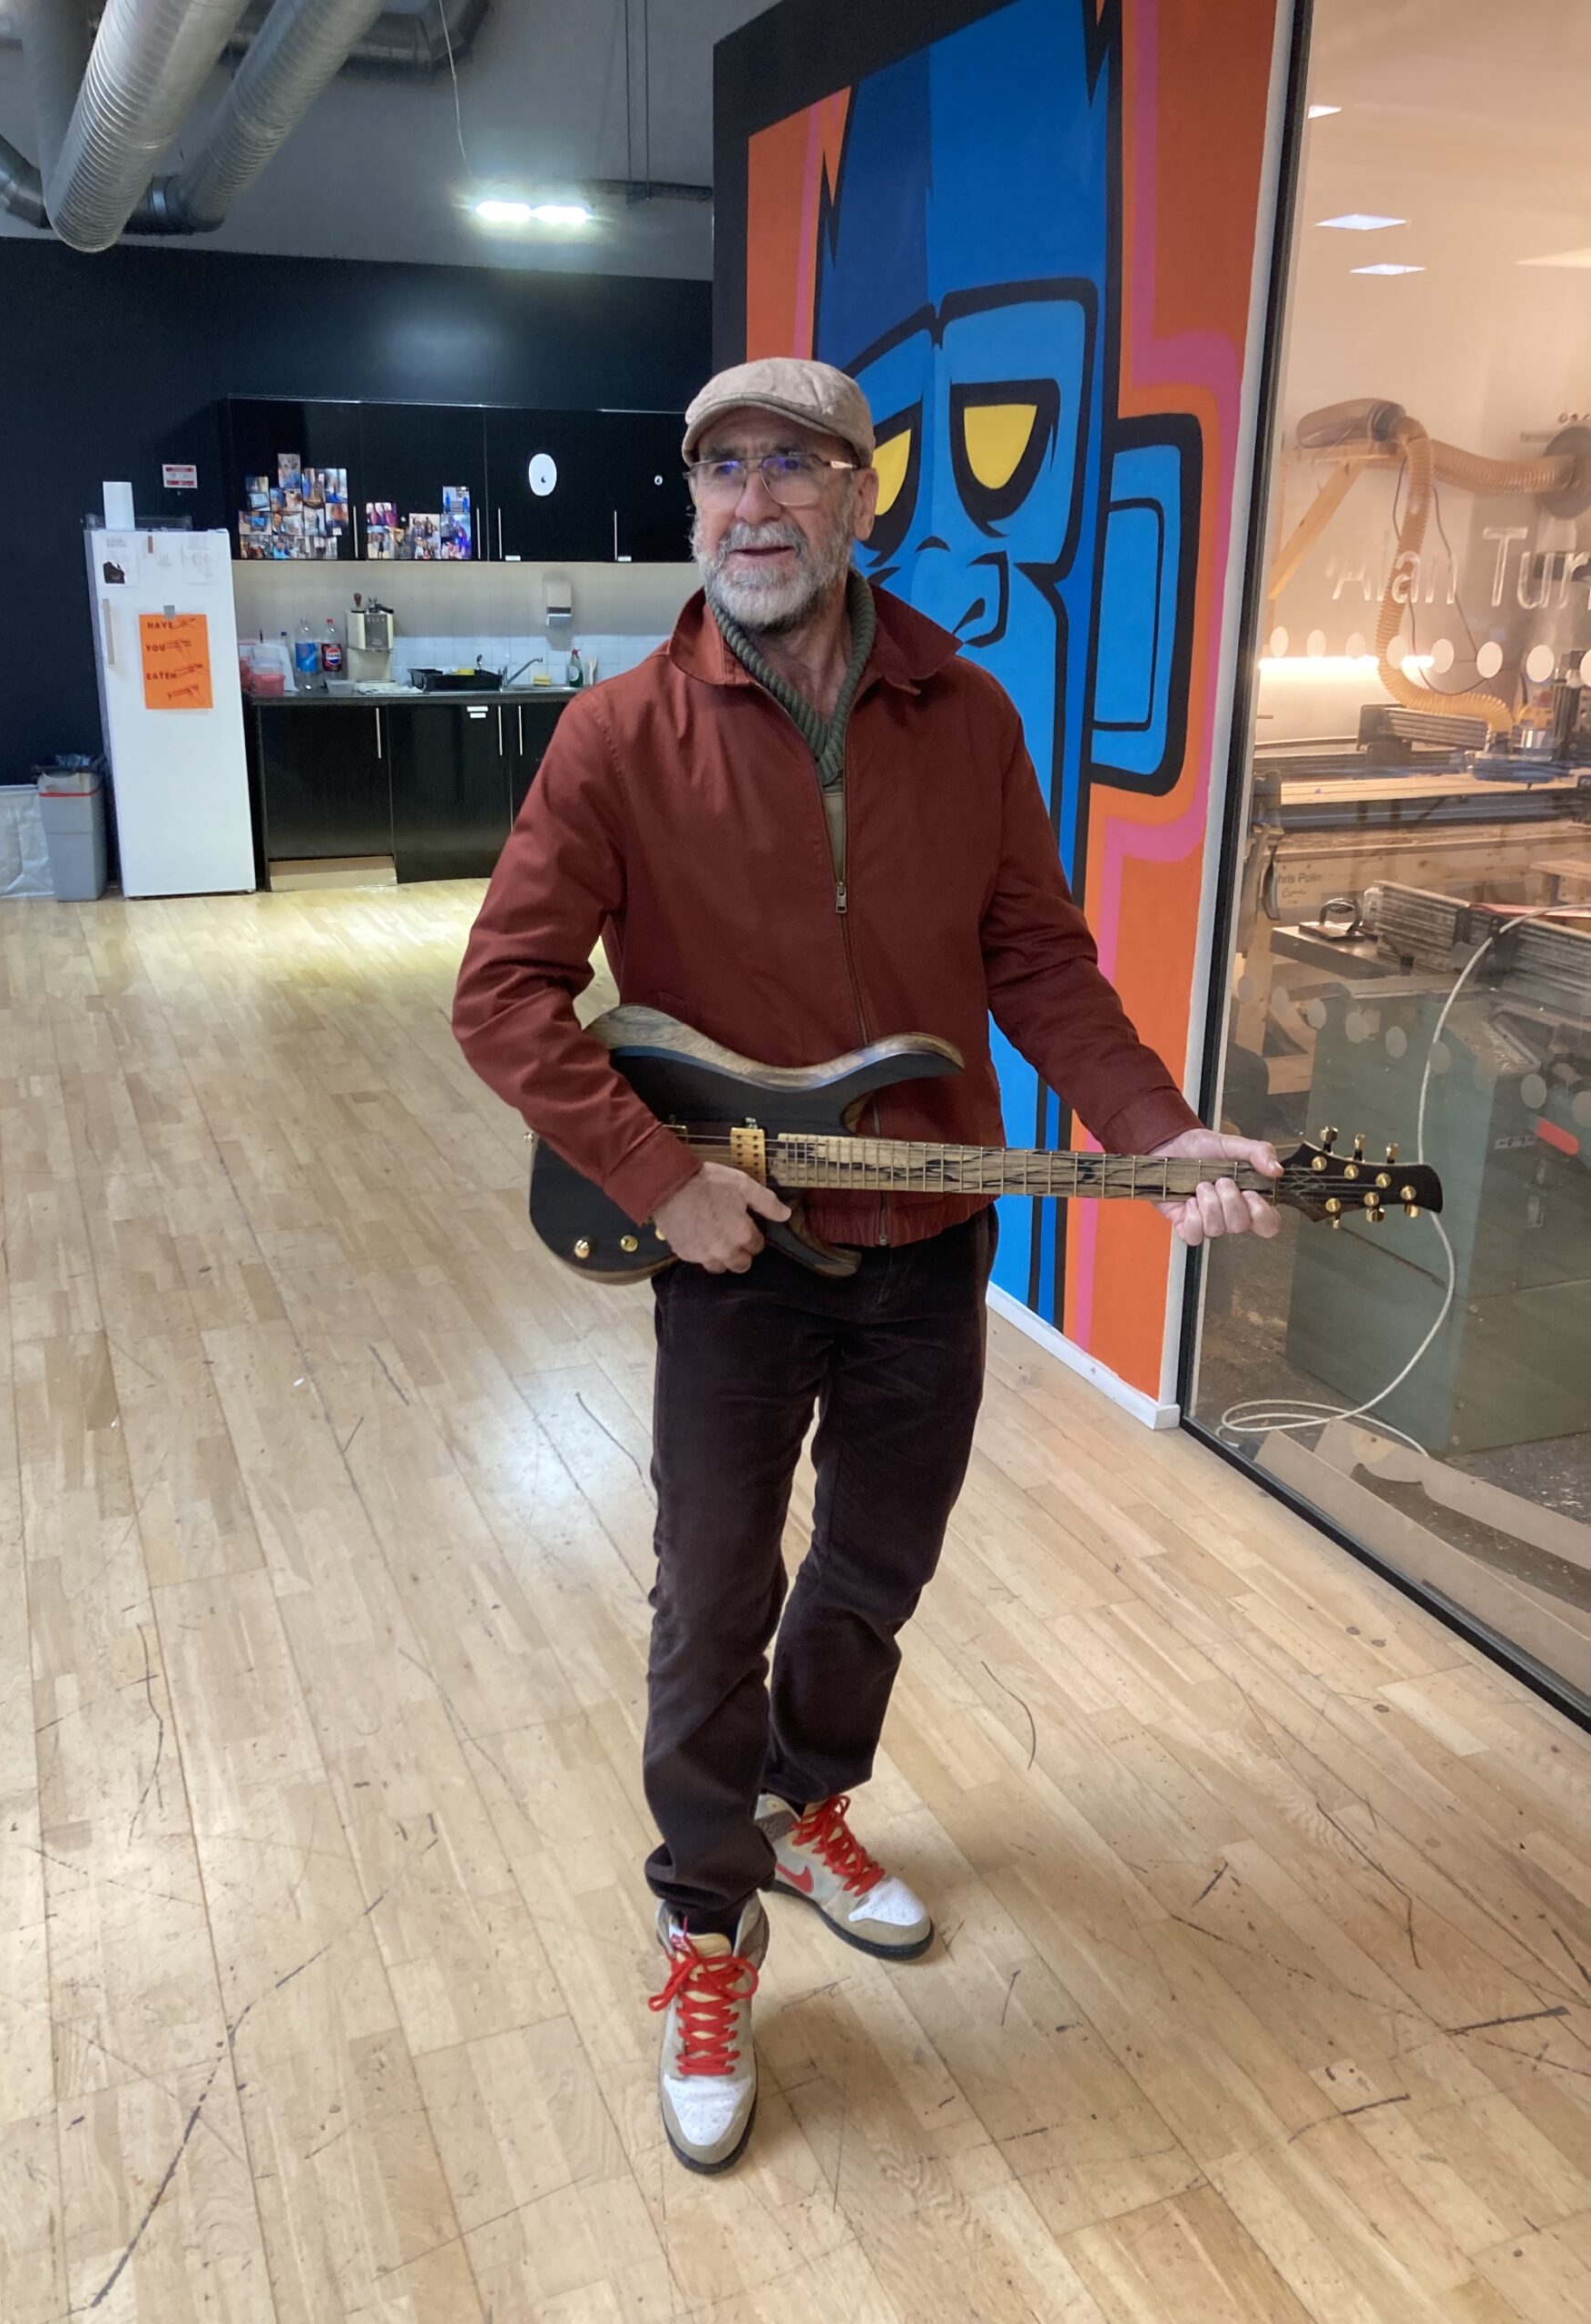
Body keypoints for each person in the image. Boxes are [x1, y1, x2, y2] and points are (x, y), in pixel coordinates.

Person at [451, 356, 1280, 2175]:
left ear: (861, 494)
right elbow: (502, 994)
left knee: (876, 1571)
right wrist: (659, 1179)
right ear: (694, 504)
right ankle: (705, 1926)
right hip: (733, 1251)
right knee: (711, 1598)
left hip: (928, 1244)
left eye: (792, 465)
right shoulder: (619, 736)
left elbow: (1036, 956)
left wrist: (1154, 1130)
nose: (751, 503)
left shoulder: (963, 715)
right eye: (720, 470)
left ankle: (805, 1801)